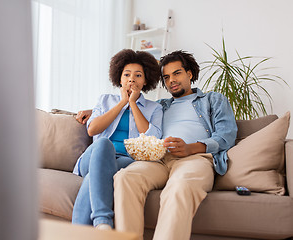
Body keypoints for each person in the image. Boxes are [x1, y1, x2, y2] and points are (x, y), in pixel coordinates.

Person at [76, 50, 237, 239]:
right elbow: (130, 109)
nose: (171, 81)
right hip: (158, 159)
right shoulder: (160, 105)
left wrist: (190, 147)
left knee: (179, 188)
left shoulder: (212, 100)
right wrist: (91, 110)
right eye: (166, 77)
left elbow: (226, 136)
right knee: (125, 178)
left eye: (177, 73)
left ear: (189, 74)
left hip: (193, 157)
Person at [72, 49, 163, 231]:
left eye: (138, 75)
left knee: (95, 177)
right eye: (127, 74)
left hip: (125, 161)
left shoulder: (154, 108)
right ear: (119, 78)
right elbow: (92, 129)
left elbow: (152, 138)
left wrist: (133, 104)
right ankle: (102, 220)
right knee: (104, 144)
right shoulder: (105, 100)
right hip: (93, 157)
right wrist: (122, 103)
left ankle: (87, 231)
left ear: (145, 81)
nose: (131, 79)